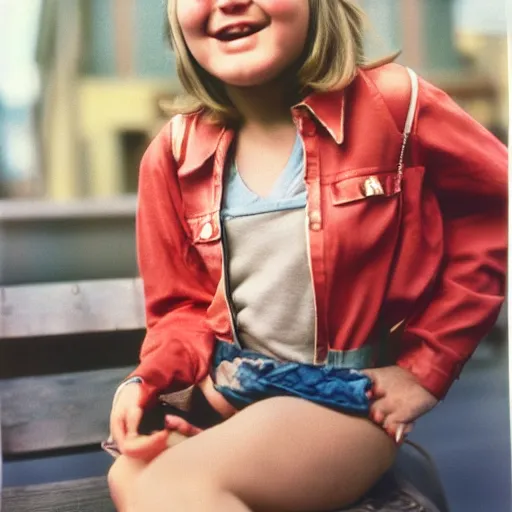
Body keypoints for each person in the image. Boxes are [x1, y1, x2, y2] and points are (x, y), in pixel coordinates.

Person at [105, 1, 507, 511]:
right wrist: (148, 379)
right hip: (229, 390)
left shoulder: (395, 106)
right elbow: (180, 311)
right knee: (131, 473)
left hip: (338, 397)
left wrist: (427, 365)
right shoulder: (172, 155)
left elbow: (496, 207)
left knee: (170, 488)